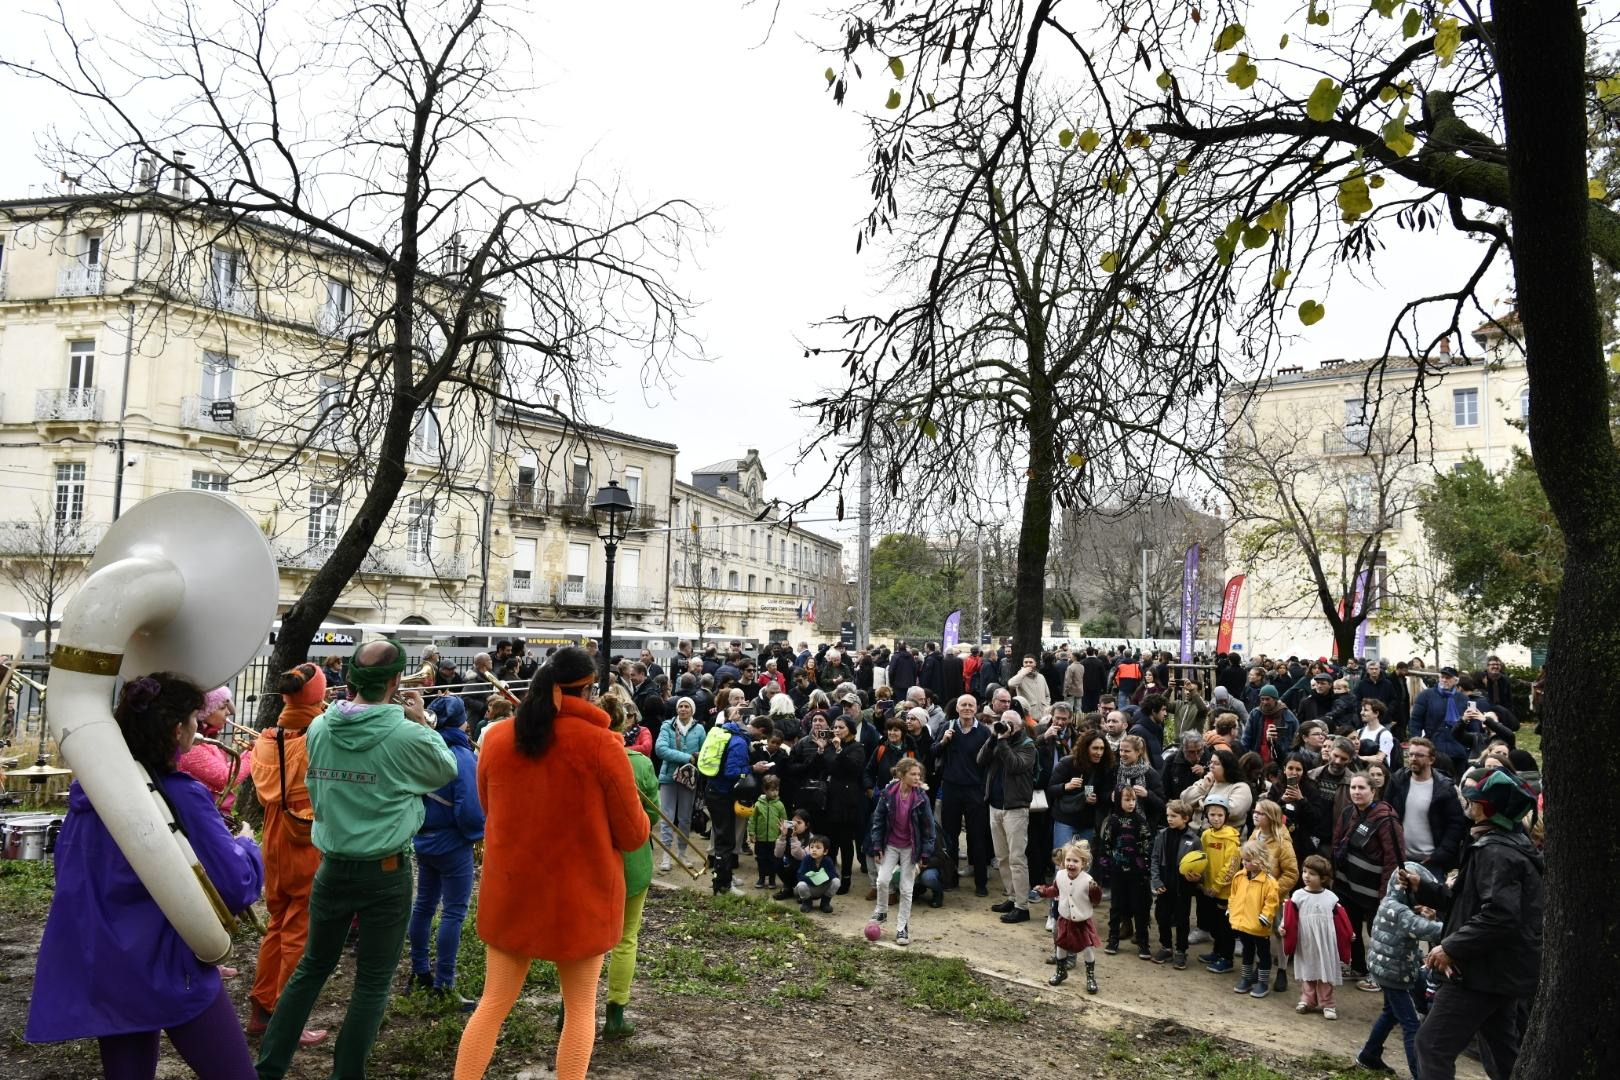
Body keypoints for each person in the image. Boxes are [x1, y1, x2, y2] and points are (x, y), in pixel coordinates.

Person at [26, 673, 265, 1080]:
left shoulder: (90, 794)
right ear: (178, 729)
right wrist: (246, 846)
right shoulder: (181, 794)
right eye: (193, 719)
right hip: (169, 965)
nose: (197, 729)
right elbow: (235, 886)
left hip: (107, 964)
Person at [256, 641, 457, 1080]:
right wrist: (420, 718)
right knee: (371, 981)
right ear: (396, 681)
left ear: (350, 680)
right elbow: (445, 770)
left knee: (311, 968)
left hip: (329, 867)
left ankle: (268, 1069)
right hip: (385, 872)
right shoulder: (407, 733)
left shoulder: (320, 729)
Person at [454, 646, 649, 1080]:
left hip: (512, 889)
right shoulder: (604, 744)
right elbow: (634, 835)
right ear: (589, 689)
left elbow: (490, 807)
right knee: (580, 1011)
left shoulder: (499, 737)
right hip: (581, 897)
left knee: (492, 1004)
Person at [1405, 768, 1545, 1080]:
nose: (1467, 805)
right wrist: (1423, 887)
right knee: (1502, 1053)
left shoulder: (1497, 851)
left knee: (1431, 1045)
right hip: (1499, 972)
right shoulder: (1504, 843)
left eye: (1472, 800)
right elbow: (1468, 901)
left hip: (1482, 974)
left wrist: (1451, 947)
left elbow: (1500, 916)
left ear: (1483, 808)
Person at [247, 665, 328, 1046]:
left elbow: (266, 788)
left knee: (277, 922)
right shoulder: (321, 736)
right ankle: (288, 1017)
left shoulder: (267, 737)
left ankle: (262, 1008)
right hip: (306, 835)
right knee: (300, 927)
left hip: (274, 833)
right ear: (317, 697)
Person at [406, 685, 485, 1008]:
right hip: (453, 842)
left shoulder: (425, 748)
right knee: (453, 912)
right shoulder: (463, 756)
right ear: (462, 724)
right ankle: (445, 983)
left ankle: (420, 971)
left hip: (423, 837)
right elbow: (469, 807)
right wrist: (475, 834)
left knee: (424, 905)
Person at [601, 692, 658, 1040]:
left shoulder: (578, 757)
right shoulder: (639, 763)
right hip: (631, 861)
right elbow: (649, 816)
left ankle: (569, 1013)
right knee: (625, 939)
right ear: (625, 724)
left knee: (583, 941)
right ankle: (615, 1016)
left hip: (588, 862)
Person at [1357, 861, 1445, 1078]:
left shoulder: (1391, 902)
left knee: (1390, 1013)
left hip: (1386, 969)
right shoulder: (1401, 912)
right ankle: (1419, 1075)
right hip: (1392, 974)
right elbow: (1426, 929)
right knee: (1411, 1025)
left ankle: (1369, 1055)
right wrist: (1455, 927)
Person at [1332, 773, 1405, 990]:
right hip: (1348, 886)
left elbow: (1395, 857)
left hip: (1374, 890)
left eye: (1362, 788)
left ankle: (1378, 975)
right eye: (1353, 787)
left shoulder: (1386, 819)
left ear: (1373, 791)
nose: (1356, 792)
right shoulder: (1348, 813)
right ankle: (1358, 966)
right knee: (1350, 928)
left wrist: (1387, 893)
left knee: (1377, 934)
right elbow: (1337, 843)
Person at [867, 758, 936, 946]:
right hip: (890, 844)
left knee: (906, 889)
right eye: (912, 774)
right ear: (901, 774)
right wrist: (876, 846)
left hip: (911, 848)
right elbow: (878, 821)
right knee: (882, 880)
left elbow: (929, 829)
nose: (917, 777)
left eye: (919, 775)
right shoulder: (888, 793)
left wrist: (925, 854)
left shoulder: (921, 798)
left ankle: (902, 927)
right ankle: (881, 911)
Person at [979, 708, 1037, 924]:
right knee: (1002, 857)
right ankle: (1011, 897)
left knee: (1017, 859)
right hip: (995, 806)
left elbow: (1015, 765)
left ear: (1020, 726)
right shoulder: (998, 740)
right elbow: (980, 760)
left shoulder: (1027, 745)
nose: (1005, 726)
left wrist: (1002, 742)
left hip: (1016, 809)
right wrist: (994, 738)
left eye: (1010, 723)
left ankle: (1022, 906)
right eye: (1002, 722)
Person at [934, 694, 993, 896]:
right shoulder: (947, 727)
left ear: (976, 708)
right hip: (951, 788)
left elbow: (990, 762)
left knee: (977, 837)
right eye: (963, 705)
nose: (967, 708)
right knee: (950, 837)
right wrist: (944, 741)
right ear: (957, 708)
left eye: (971, 705)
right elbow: (933, 752)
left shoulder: (984, 732)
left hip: (975, 790)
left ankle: (981, 883)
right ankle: (950, 879)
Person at [1383, 738, 1466, 881]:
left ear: (1431, 760)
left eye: (1419, 755)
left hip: (1431, 863)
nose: (1413, 759)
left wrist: (1440, 854)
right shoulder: (1397, 780)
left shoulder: (1445, 788)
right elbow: (1386, 813)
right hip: (1400, 858)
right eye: (1411, 754)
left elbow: (1456, 825)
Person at [1284, 855, 1353, 1021]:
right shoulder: (1298, 896)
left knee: (1325, 972)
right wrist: (1283, 928)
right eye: (1305, 871)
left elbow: (1341, 919)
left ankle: (1327, 1003)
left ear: (1323, 878)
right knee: (1309, 971)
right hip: (1306, 941)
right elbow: (1289, 917)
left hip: (1325, 942)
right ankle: (1307, 1000)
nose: (1306, 876)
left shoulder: (1330, 897)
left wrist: (1348, 933)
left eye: (1312, 874)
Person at [1035, 841, 1103, 992]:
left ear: (1083, 863)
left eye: (1075, 861)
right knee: (1061, 946)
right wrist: (1043, 891)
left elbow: (1096, 900)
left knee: (1087, 949)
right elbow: (1055, 890)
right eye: (1068, 860)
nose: (1071, 864)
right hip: (1064, 920)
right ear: (1063, 861)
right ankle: (1061, 972)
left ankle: (1090, 977)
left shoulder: (1088, 881)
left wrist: (1095, 891)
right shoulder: (1060, 875)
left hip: (1082, 922)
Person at [1249, 798, 1300, 993]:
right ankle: (1259, 966)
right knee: (1256, 931)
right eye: (1255, 811)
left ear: (1270, 818)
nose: (1255, 815)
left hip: (1276, 897)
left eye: (1260, 813)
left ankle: (1281, 970)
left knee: (1279, 934)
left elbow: (1291, 873)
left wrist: (1273, 891)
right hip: (1256, 894)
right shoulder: (1255, 834)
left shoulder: (1282, 842)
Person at [1098, 786, 1153, 959]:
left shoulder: (1141, 821)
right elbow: (1105, 846)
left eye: (1133, 800)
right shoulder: (1112, 821)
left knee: (1139, 907)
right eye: (1127, 800)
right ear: (1118, 800)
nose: (1130, 804)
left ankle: (1143, 941)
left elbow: (1146, 846)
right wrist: (1106, 868)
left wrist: (1146, 869)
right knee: (1116, 907)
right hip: (1117, 871)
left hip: (1137, 873)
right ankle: (1113, 938)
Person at [653, 697, 705, 874]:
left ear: (692, 710)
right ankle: (667, 855)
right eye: (680, 706)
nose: (683, 709)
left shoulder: (699, 729)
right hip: (669, 777)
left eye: (687, 706)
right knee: (667, 816)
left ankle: (682, 853)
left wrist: (697, 758)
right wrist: (687, 757)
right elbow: (660, 749)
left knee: (684, 817)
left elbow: (703, 752)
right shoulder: (667, 726)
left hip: (689, 779)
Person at [1149, 799, 1201, 968]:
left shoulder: (1193, 840)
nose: (1169, 819)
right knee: (1161, 916)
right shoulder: (1162, 835)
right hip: (1164, 884)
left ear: (1185, 818)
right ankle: (1166, 947)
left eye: (1174, 816)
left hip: (1183, 887)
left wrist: (1197, 877)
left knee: (1182, 919)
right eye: (1168, 816)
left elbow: (1200, 863)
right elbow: (1155, 859)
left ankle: (1181, 950)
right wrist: (1156, 881)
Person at [1227, 838, 1282, 998]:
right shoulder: (1239, 877)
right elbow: (1233, 896)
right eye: (1244, 859)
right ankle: (1246, 978)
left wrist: (1265, 917)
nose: (1245, 863)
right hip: (1243, 923)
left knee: (1263, 953)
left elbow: (1272, 902)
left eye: (1249, 860)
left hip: (1259, 925)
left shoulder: (1269, 882)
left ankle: (1263, 983)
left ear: (1261, 860)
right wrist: (1231, 909)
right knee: (1247, 950)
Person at [818, 714, 867, 895]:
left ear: (850, 730)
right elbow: (826, 767)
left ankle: (846, 878)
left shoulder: (857, 747)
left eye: (841, 727)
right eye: (835, 727)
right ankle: (831, 877)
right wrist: (822, 752)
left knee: (846, 842)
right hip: (830, 798)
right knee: (830, 841)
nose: (837, 730)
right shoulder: (830, 746)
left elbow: (854, 768)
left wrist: (839, 752)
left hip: (848, 800)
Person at [1196, 794, 1242, 974]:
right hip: (1207, 889)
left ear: (1226, 817)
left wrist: (1216, 886)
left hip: (1223, 892)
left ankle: (1227, 958)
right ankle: (1216, 952)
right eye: (1212, 815)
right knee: (1213, 924)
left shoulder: (1231, 839)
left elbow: (1230, 867)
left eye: (1220, 815)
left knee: (1225, 928)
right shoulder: (1206, 835)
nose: (1216, 818)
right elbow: (1201, 857)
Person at [176, 685, 239, 813]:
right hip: (208, 810)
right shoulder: (192, 747)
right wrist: (254, 754)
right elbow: (224, 778)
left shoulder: (209, 737)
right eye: (222, 708)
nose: (228, 712)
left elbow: (222, 768)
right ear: (204, 714)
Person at [1180, 747, 1253, 830]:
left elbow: (1234, 812)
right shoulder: (1206, 782)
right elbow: (1184, 800)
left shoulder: (1240, 787)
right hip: (1195, 834)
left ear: (1227, 767)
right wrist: (1203, 787)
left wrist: (1200, 803)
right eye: (1210, 762)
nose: (1211, 766)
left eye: (1216, 763)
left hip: (1224, 838)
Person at [750, 775, 787, 889]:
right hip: (761, 838)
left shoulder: (780, 805)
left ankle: (772, 879)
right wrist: (752, 833)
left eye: (777, 790)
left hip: (774, 839)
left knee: (773, 860)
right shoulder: (758, 804)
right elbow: (752, 820)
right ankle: (761, 879)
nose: (775, 793)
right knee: (761, 859)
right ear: (765, 790)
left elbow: (784, 820)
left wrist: (783, 834)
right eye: (772, 790)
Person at [795, 835, 841, 912]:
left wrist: (820, 878)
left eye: (818, 847)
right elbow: (800, 875)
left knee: (836, 881)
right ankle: (807, 903)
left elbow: (833, 874)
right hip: (810, 888)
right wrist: (814, 879)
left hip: (823, 888)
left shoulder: (828, 860)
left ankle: (825, 903)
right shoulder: (806, 859)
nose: (814, 850)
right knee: (801, 885)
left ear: (825, 851)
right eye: (812, 847)